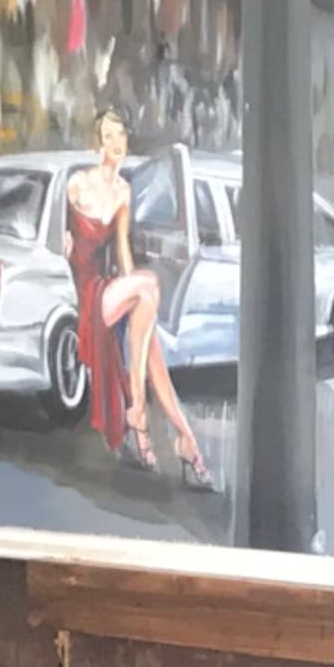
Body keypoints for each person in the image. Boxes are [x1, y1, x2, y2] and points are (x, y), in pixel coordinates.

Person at [63, 112, 210, 487]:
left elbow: (123, 249)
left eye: (121, 134)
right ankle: (138, 410)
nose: (117, 141)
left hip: (111, 288)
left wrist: (136, 296)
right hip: (87, 295)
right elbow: (61, 243)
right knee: (148, 286)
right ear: (97, 145)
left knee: (152, 345)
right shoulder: (78, 184)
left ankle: (185, 440)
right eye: (108, 135)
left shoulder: (124, 191)